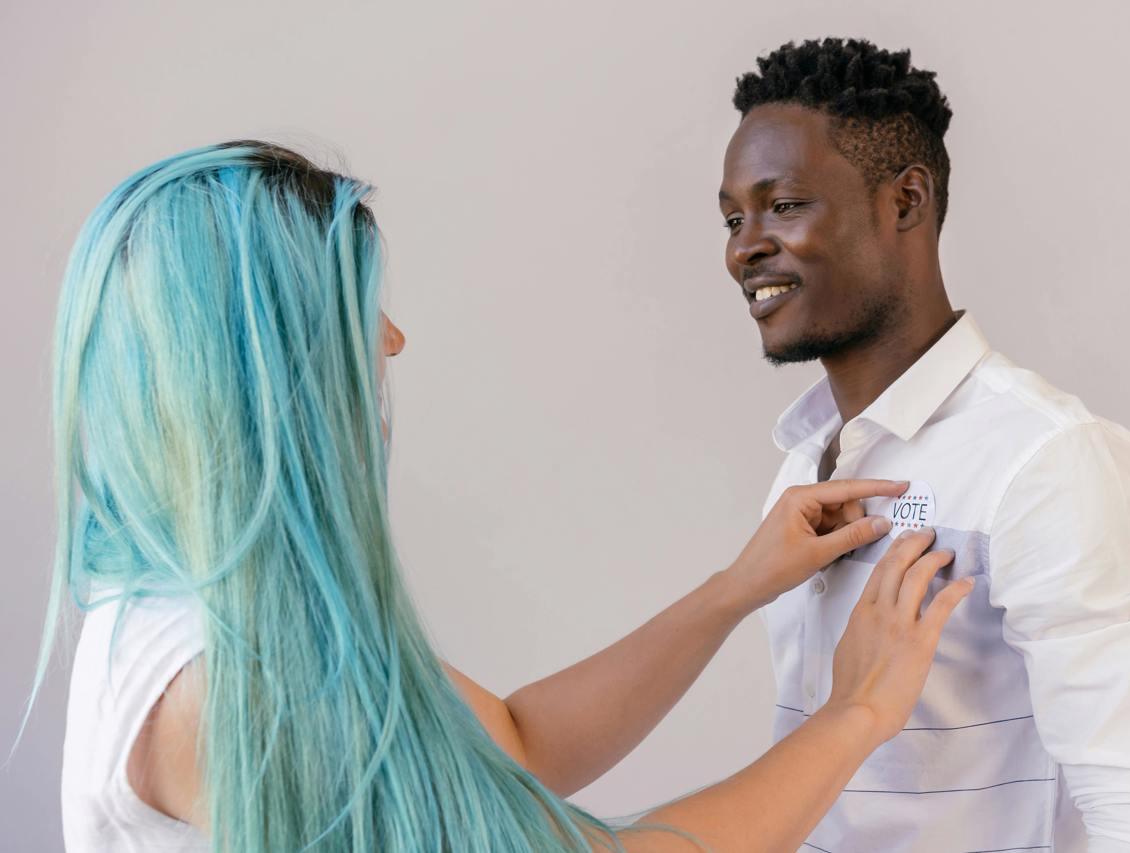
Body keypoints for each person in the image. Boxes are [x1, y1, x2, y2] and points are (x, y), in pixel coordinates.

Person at [31, 140, 975, 853]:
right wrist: (856, 712)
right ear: (269, 368)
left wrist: (736, 588)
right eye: (356, 310)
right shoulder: (227, 676)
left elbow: (513, 745)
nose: (391, 340)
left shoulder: (199, 613)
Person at [718, 37, 1130, 852]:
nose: (744, 246)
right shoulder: (802, 467)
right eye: (735, 218)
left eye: (785, 205)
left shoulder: (1044, 461)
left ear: (906, 200)